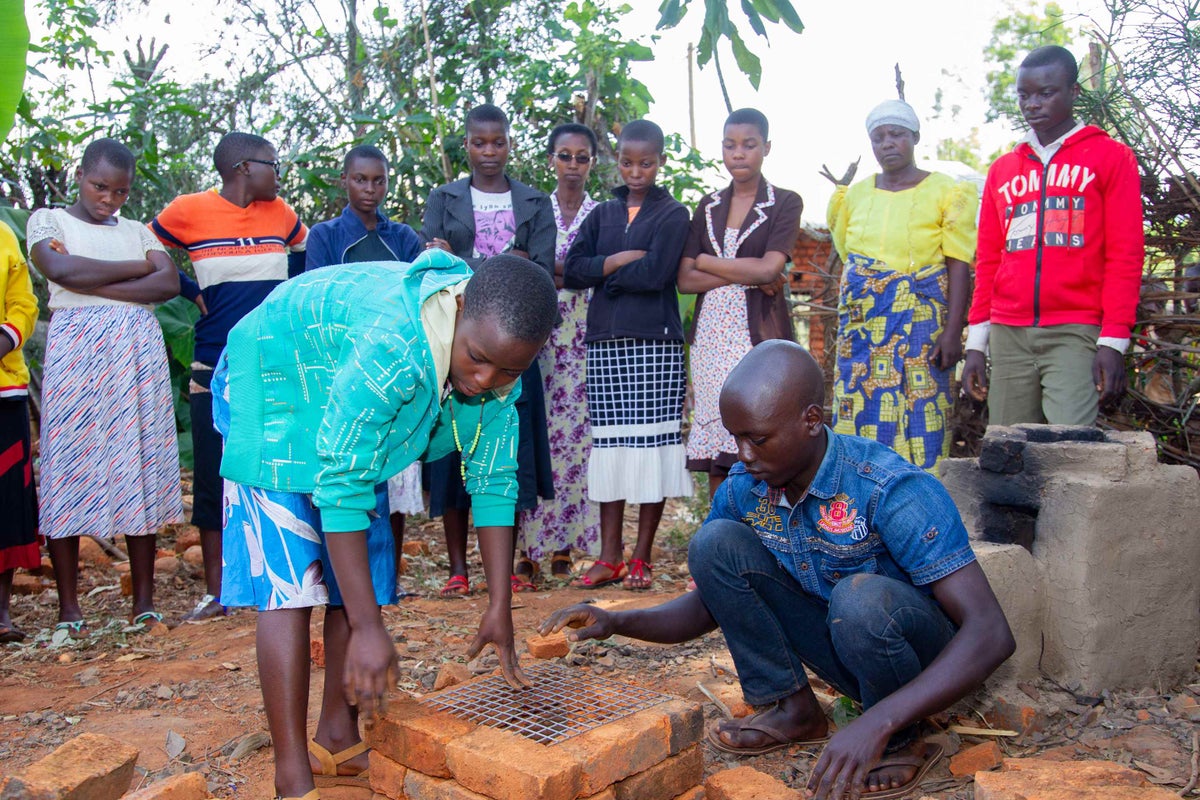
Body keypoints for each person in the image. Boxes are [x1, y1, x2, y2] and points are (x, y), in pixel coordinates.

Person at [543, 342, 1015, 800]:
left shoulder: (888, 489)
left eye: (758, 439)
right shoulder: (745, 489)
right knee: (714, 543)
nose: (744, 454)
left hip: (924, 670)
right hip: (846, 650)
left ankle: (901, 738)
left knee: (859, 598)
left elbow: (991, 634)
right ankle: (794, 709)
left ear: (811, 420)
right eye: (736, 438)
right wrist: (616, 621)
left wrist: (880, 720)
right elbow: (711, 605)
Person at [214, 251, 557, 800]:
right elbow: (341, 487)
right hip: (276, 372)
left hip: (344, 398)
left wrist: (499, 603)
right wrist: (370, 629)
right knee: (288, 585)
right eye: (477, 359)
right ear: (459, 308)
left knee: (357, 577)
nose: (485, 379)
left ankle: (337, 735)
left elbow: (494, 480)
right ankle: (291, 774)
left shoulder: (495, 373)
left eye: (509, 370)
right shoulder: (394, 346)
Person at [151, 132, 308, 623]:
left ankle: (288, 575)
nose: (278, 175)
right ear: (244, 168)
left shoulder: (281, 214)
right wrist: (189, 289)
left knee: (283, 464)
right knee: (213, 471)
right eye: (273, 165)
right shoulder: (188, 210)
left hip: (276, 359)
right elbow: (145, 244)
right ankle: (218, 592)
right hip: (214, 359)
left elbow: (305, 257)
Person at [27, 138, 183, 636]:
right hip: (78, 352)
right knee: (69, 462)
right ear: (79, 176)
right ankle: (70, 609)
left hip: (137, 355)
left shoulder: (138, 230)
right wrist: (139, 268)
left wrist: (89, 281)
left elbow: (169, 284)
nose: (109, 199)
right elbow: (59, 269)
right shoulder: (49, 222)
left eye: (120, 192)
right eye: (99, 187)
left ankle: (144, 603)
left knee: (137, 460)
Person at [962, 45, 1144, 426]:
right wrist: (976, 343)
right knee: (1006, 446)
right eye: (1024, 95)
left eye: (1046, 93)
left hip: (1076, 329)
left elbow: (1125, 254)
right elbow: (989, 259)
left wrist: (1113, 339)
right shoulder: (1002, 170)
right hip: (1008, 332)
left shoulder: (1111, 158)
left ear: (1074, 92)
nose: (1033, 104)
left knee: (1070, 445)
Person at [421, 103, 556, 596]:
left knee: (508, 452)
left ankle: (506, 567)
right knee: (450, 451)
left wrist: (467, 261)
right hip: (461, 343)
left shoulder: (535, 202)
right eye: (479, 142)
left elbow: (541, 275)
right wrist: (504, 263)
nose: (489, 151)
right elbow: (433, 266)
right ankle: (458, 568)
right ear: (467, 145)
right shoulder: (443, 197)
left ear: (509, 144)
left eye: (498, 142)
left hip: (512, 347)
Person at [564, 119, 692, 590]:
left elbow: (658, 274)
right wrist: (617, 262)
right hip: (604, 344)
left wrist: (607, 279)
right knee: (612, 449)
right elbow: (573, 269)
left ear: (660, 162)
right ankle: (609, 556)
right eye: (627, 163)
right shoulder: (602, 214)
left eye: (646, 163)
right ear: (616, 161)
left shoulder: (674, 214)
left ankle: (641, 557)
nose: (636, 172)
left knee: (654, 449)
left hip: (656, 345)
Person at [825, 99, 978, 473]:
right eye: (878, 137)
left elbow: (959, 263)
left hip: (923, 328)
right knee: (858, 416)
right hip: (863, 332)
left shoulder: (946, 191)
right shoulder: (854, 196)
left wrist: (952, 332)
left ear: (915, 138)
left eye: (896, 134)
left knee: (924, 414)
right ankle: (861, 500)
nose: (887, 143)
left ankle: (921, 501)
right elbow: (850, 256)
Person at [305, 144, 424, 590]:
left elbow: (415, 296)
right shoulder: (326, 236)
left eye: (378, 180)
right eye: (360, 179)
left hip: (394, 367)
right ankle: (342, 579)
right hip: (343, 368)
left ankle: (387, 577)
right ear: (345, 181)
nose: (370, 189)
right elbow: (318, 296)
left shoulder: (403, 238)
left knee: (393, 478)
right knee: (350, 473)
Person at [678, 107, 803, 498]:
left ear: (766, 147)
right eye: (730, 145)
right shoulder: (708, 205)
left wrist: (707, 261)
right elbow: (685, 279)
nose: (738, 153)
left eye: (749, 145)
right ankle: (721, 525)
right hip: (710, 341)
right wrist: (747, 273)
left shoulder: (784, 202)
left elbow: (769, 269)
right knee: (718, 447)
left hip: (756, 337)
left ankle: (766, 528)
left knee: (760, 431)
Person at [514, 123, 603, 587]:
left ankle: (564, 546)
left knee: (575, 442)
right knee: (535, 436)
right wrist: (572, 271)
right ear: (551, 159)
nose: (572, 164)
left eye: (581, 157)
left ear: (592, 162)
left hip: (586, 337)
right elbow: (521, 264)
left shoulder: (601, 215)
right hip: (538, 335)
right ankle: (527, 550)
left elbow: (600, 272)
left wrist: (554, 269)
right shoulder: (534, 209)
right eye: (564, 155)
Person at [0, 220, 40, 644]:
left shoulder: (3, 235)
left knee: (6, 499)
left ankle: (1, 612)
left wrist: (3, 341)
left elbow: (23, 304)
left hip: (4, 388)